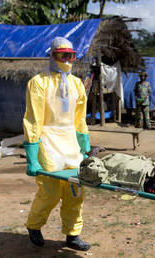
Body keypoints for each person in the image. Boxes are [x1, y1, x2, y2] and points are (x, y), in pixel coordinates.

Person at [23, 37, 91, 251]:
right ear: (52, 56)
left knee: (75, 192)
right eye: (63, 55)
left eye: (72, 56)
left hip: (70, 143)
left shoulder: (77, 83)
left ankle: (73, 234)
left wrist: (84, 146)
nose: (68, 60)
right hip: (47, 141)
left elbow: (80, 118)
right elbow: (33, 119)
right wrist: (32, 157)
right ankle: (34, 225)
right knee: (50, 192)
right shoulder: (38, 82)